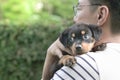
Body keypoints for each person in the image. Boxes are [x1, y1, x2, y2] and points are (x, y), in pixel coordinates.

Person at [48, 0, 120, 79]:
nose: (74, 18)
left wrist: (50, 58)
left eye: (79, 9)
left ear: (100, 15)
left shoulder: (79, 65)